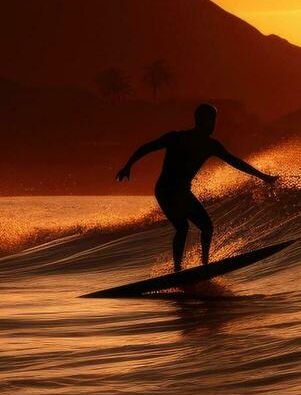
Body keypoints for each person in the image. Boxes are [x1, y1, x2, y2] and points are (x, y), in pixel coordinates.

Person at [116, 103, 279, 272]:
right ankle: (180, 268)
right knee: (184, 227)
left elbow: (235, 162)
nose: (213, 124)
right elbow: (147, 147)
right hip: (166, 190)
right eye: (210, 120)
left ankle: (202, 266)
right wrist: (128, 165)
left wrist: (263, 177)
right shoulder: (178, 137)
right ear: (200, 120)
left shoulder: (210, 145)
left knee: (202, 227)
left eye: (214, 120)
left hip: (178, 191)